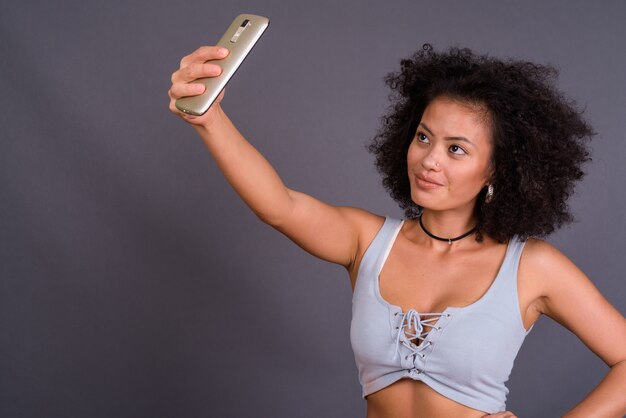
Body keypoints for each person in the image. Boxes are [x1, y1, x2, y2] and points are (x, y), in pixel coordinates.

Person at [168, 44, 626, 418]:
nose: (430, 160)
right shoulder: (368, 241)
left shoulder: (532, 267)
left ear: (498, 171)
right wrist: (209, 118)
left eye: (457, 149)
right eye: (424, 137)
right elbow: (279, 207)